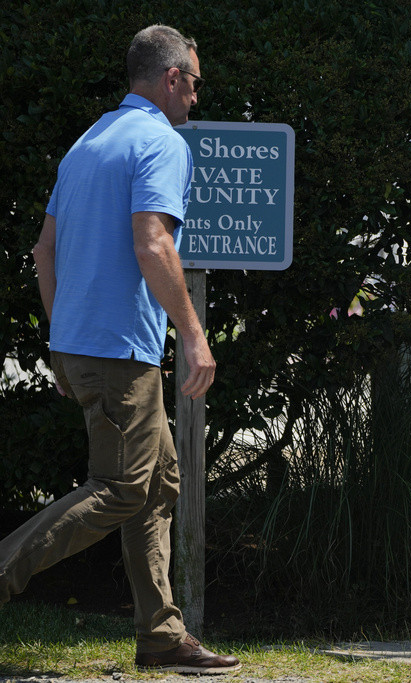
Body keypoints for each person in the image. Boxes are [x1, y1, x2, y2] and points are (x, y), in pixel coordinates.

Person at [0, 24, 240, 674]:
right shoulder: (160, 141)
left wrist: (61, 339)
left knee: (159, 481)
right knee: (121, 486)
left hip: (85, 344)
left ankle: (161, 634)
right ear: (170, 79)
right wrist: (193, 335)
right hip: (119, 352)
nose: (195, 97)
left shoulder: (88, 143)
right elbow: (154, 242)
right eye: (193, 83)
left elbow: (44, 251)